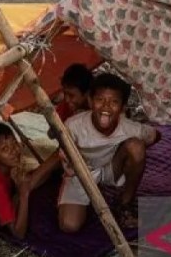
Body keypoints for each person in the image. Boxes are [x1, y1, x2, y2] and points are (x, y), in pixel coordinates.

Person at [35, 73, 160, 233]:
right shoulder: (73, 126)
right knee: (69, 225)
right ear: (90, 101)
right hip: (80, 173)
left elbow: (155, 136)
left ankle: (125, 204)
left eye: (114, 102)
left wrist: (132, 158)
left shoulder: (128, 127)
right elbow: (65, 159)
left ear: (122, 108)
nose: (106, 107)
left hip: (110, 168)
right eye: (100, 100)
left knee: (136, 146)